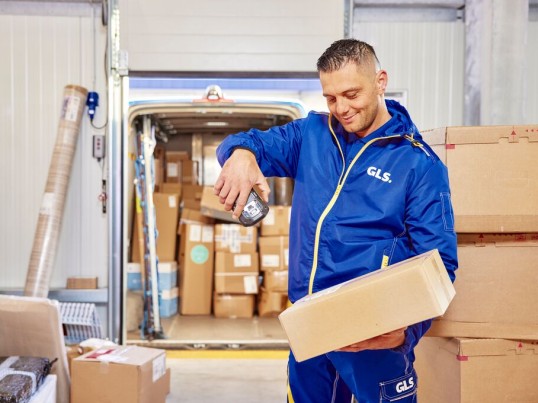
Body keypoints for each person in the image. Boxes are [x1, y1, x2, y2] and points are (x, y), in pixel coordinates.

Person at [214, 38, 458, 403]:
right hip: (309, 330)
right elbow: (253, 143)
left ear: (380, 81)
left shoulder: (418, 165)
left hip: (374, 338)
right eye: (330, 98)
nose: (340, 108)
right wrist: (240, 154)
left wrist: (407, 332)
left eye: (351, 94)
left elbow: (441, 265)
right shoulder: (311, 135)